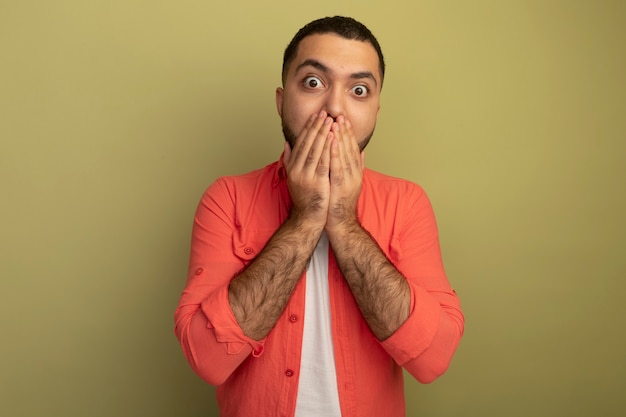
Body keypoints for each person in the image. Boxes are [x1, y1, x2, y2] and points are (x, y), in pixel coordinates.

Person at [174, 16, 464, 417]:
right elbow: (207, 359)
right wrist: (306, 218)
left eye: (358, 90)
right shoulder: (227, 199)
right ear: (281, 100)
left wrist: (343, 221)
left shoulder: (407, 203)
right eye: (313, 83)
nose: (334, 108)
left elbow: (432, 359)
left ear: (376, 110)